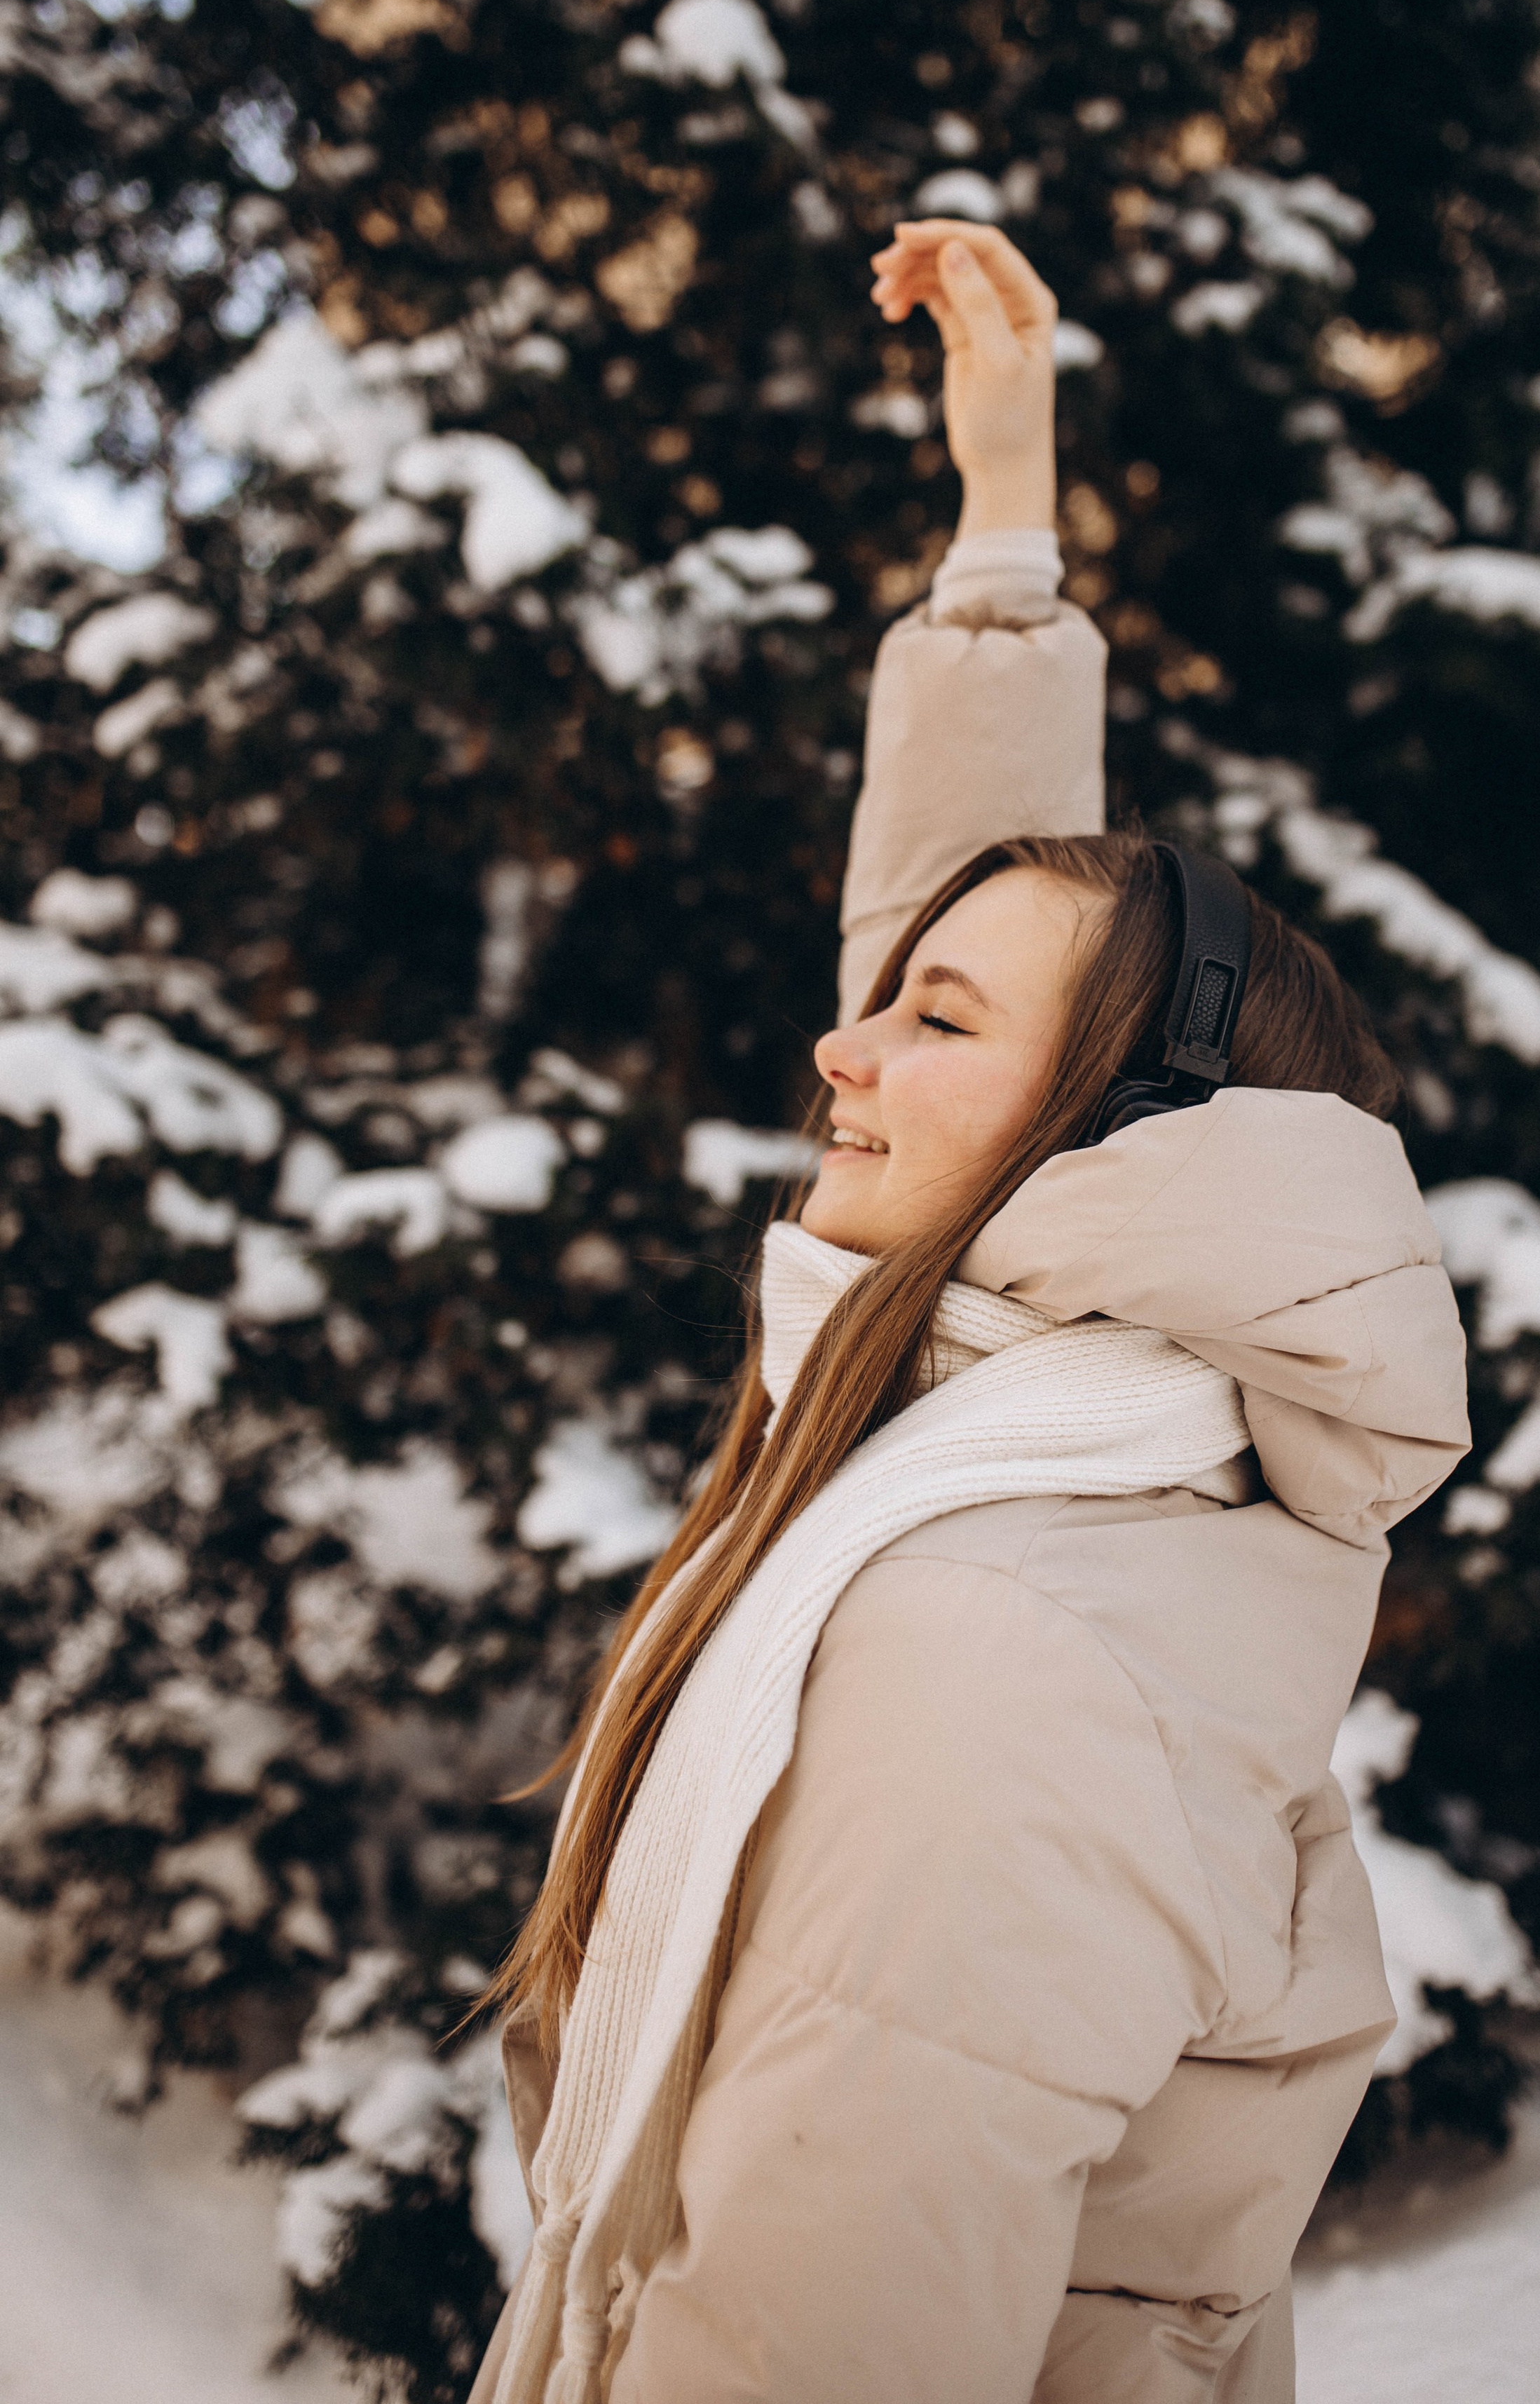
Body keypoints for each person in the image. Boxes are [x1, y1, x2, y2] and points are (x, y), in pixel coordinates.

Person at [470, 224, 1471, 2404]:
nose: (842, 1056)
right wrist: (1000, 536)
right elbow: (1004, 965)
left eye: (921, 1024)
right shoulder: (1091, 1404)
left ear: (1110, 1131)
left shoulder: (1000, 1641)